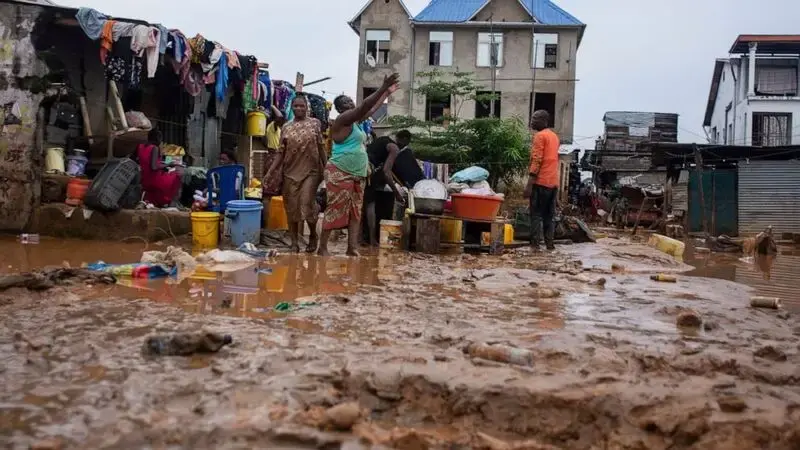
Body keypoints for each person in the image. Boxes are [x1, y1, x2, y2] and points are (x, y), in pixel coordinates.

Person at [318, 73, 400, 256]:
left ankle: (352, 248)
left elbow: (370, 110)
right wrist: (382, 86)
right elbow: (365, 106)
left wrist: (386, 93)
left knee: (356, 211)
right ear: (340, 109)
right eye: (346, 103)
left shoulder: (355, 123)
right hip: (340, 171)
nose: (350, 104)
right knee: (335, 209)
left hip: (358, 173)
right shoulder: (342, 121)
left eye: (350, 101)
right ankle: (322, 248)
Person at [263, 94, 326, 253]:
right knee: (291, 208)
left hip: (311, 171)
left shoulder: (315, 124)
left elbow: (321, 148)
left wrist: (327, 169)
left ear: (307, 107)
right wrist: (270, 173)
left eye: (302, 106)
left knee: (306, 203)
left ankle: (312, 234)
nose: (299, 108)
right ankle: (294, 243)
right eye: (296, 106)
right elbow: (280, 153)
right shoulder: (286, 127)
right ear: (292, 107)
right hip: (290, 171)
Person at [364, 129, 412, 246]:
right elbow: (386, 171)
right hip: (366, 171)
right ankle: (371, 239)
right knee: (370, 206)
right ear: (404, 140)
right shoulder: (394, 148)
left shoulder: (382, 139)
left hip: (359, 166)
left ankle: (361, 238)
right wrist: (396, 193)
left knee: (362, 205)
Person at [523, 110, 560, 250]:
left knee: (536, 215)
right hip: (553, 183)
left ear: (544, 121)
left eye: (535, 118)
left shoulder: (540, 136)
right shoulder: (554, 137)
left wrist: (529, 185)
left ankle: (535, 247)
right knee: (549, 217)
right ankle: (550, 246)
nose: (532, 121)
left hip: (540, 182)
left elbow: (537, 160)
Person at [135, 128, 183, 207]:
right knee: (177, 176)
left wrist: (163, 163)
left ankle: (157, 201)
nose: (161, 141)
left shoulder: (140, 146)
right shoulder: (154, 148)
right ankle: (172, 202)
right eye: (160, 138)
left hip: (144, 179)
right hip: (154, 179)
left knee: (169, 174)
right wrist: (169, 164)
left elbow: (147, 161)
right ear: (157, 138)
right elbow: (154, 167)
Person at [261, 105, 286, 229]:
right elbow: (280, 116)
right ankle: (267, 225)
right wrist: (271, 104)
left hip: (276, 158)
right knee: (268, 195)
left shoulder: (276, 130)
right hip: (274, 158)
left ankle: (273, 224)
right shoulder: (273, 127)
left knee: (273, 194)